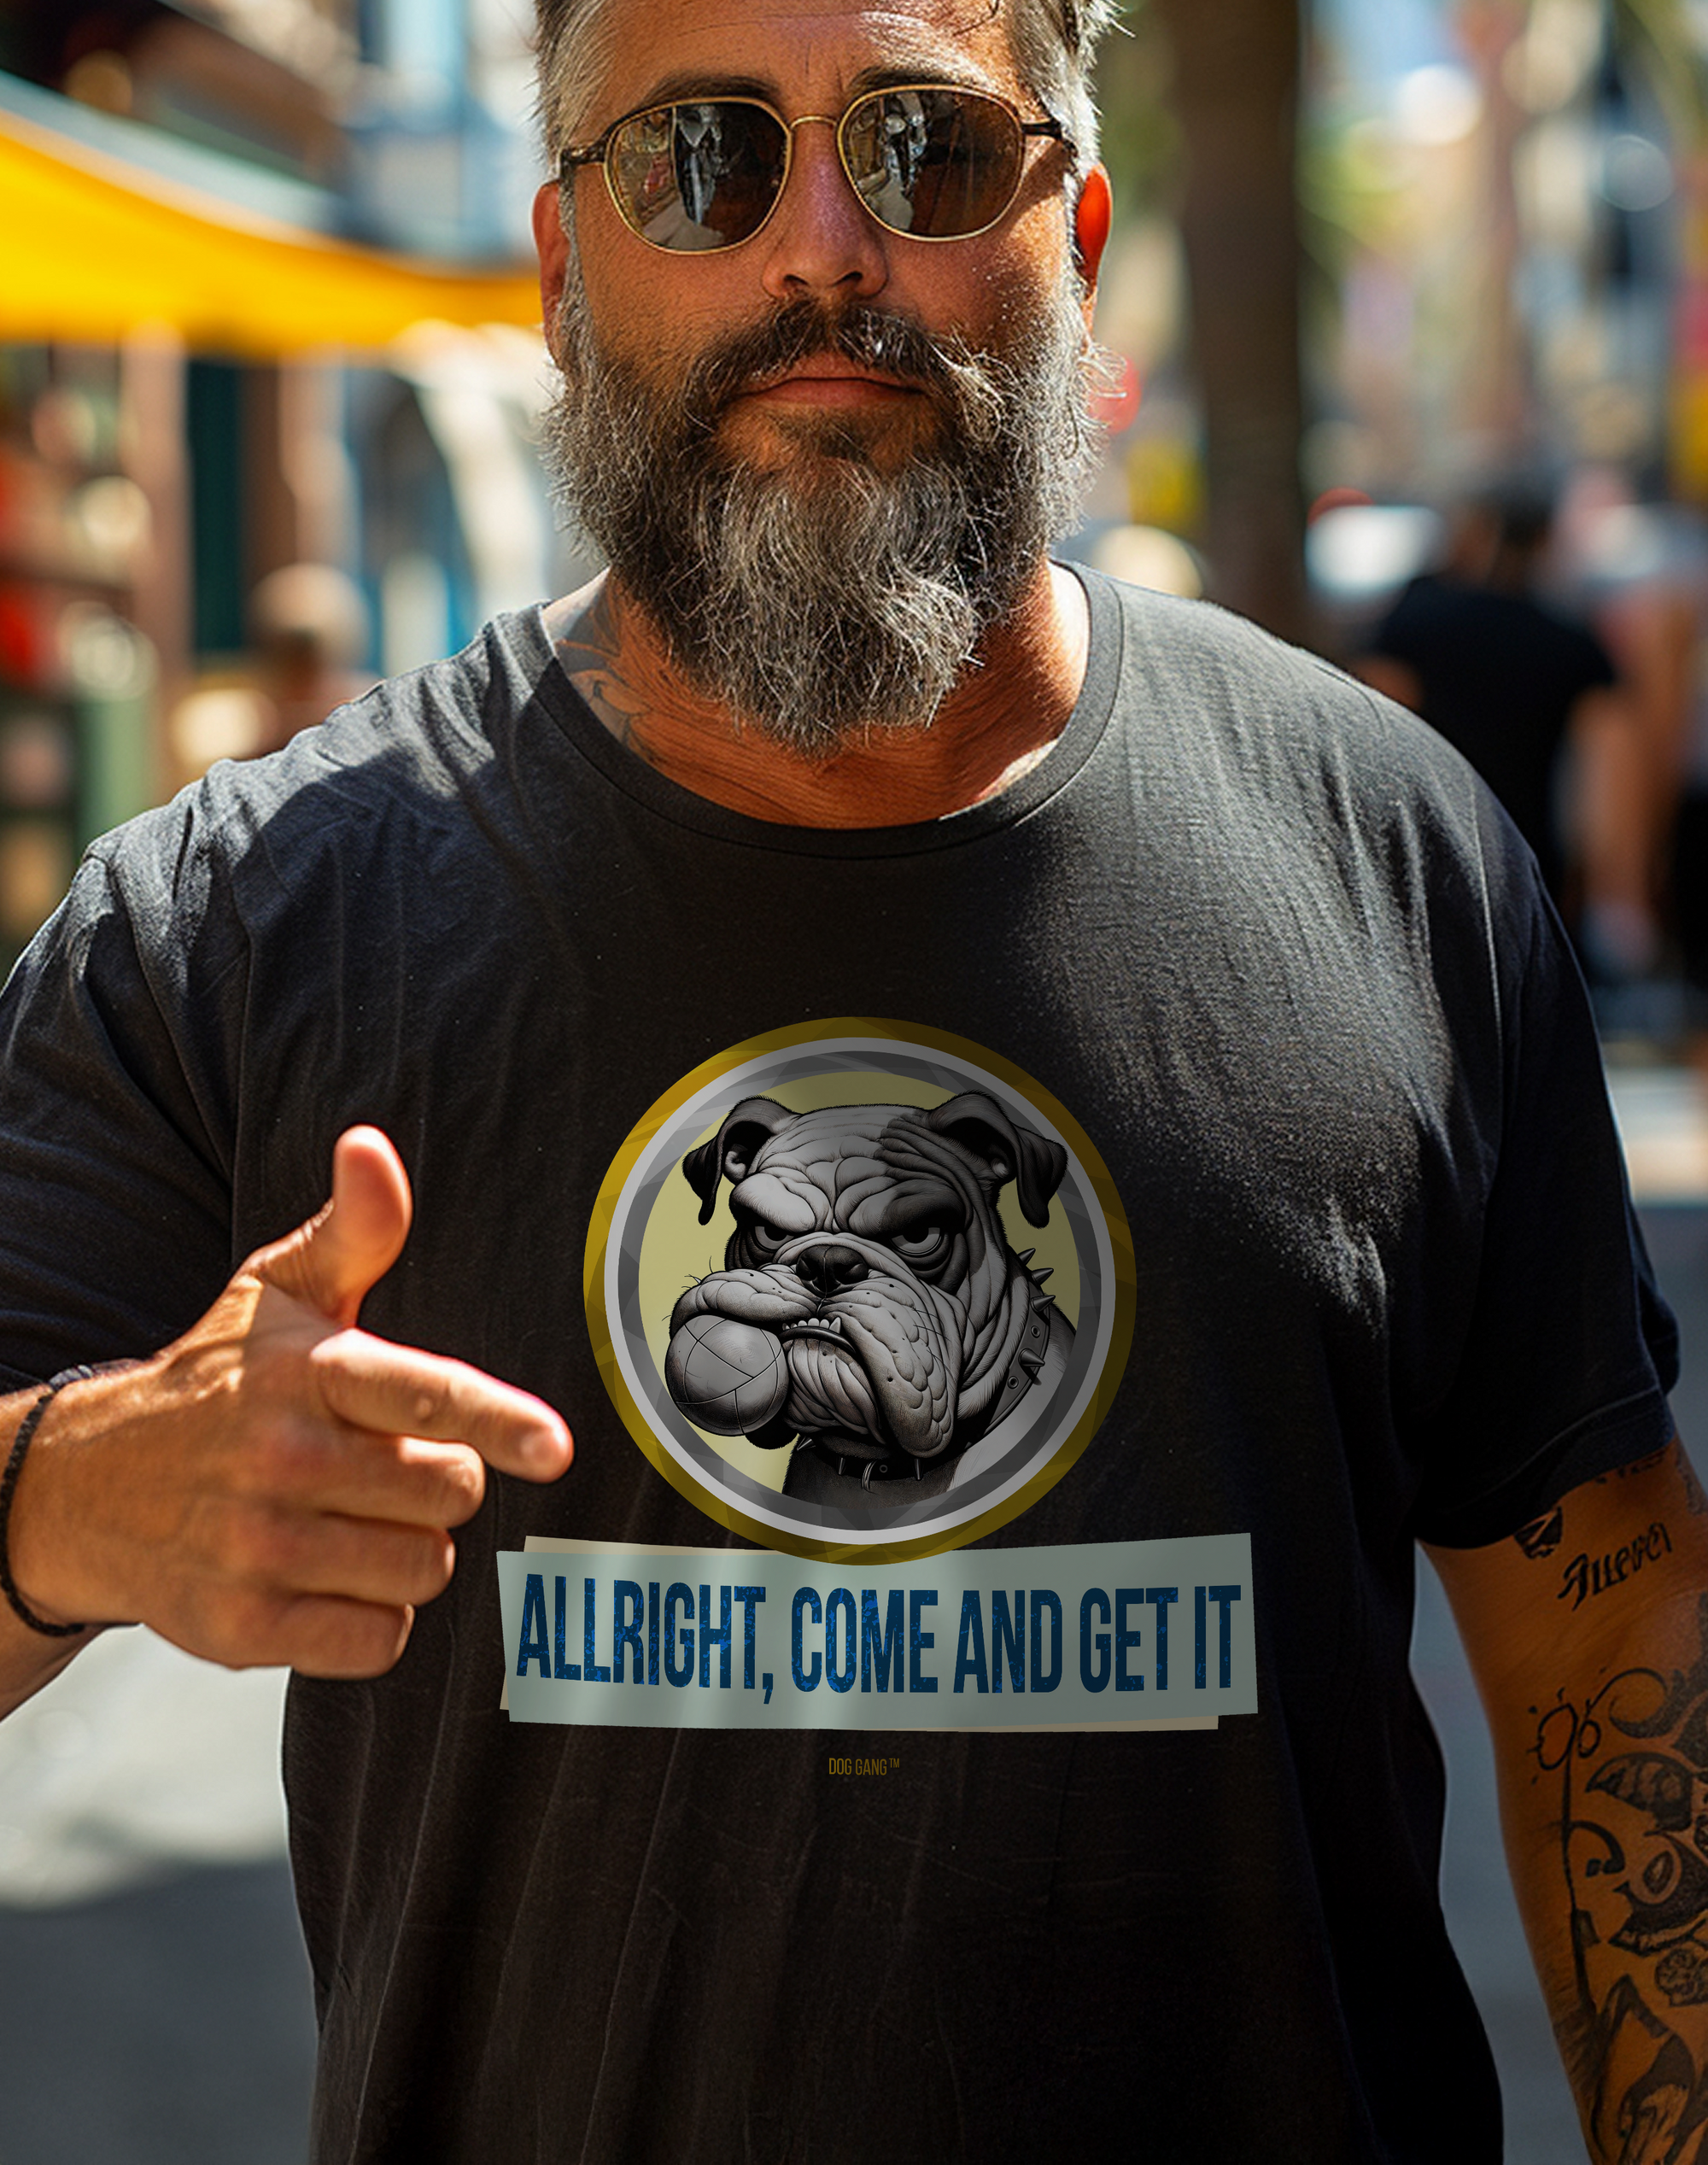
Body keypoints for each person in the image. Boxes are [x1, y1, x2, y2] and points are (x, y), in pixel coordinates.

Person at [0, 2, 1699, 2157]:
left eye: (924, 147)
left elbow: (1615, 1640)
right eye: (700, 157)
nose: (820, 249)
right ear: (555, 267)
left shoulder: (1394, 855)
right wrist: (67, 1496)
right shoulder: (237, 923)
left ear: (1073, 233)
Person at [1357, 483, 1623, 913]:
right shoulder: (1568, 643)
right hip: (1530, 873)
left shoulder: (1412, 622)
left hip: (1426, 864)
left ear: (1479, 532)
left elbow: (1372, 735)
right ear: (1544, 540)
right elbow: (1607, 790)